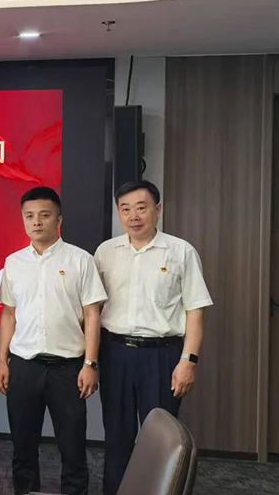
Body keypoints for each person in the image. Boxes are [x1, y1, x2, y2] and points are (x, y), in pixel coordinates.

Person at [94, 180, 212, 495]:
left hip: (162, 356)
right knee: (116, 437)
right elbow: (92, 309)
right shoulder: (106, 252)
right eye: (125, 209)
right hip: (115, 353)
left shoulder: (180, 251)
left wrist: (188, 361)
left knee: (161, 438)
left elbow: (195, 312)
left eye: (141, 208)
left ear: (158, 209)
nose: (133, 216)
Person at [0, 187, 107, 495]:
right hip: (24, 366)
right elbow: (8, 315)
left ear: (59, 220)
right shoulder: (14, 263)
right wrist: (2, 361)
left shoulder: (80, 260)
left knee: (72, 450)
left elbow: (93, 315)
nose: (36, 222)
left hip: (68, 369)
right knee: (23, 448)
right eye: (29, 216)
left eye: (44, 215)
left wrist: (90, 363)